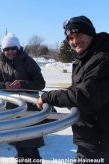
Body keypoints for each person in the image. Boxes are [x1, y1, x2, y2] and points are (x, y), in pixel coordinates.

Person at [37, 15, 109, 162]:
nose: (75, 41)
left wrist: (48, 97)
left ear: (90, 34)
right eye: (70, 38)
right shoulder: (86, 58)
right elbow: (82, 86)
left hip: (101, 141)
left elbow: (86, 96)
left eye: (79, 35)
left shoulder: (103, 59)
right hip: (91, 137)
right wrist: (67, 91)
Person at [0, 33, 45, 163]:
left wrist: (22, 84)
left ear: (18, 48)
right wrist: (4, 85)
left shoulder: (28, 61)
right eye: (6, 49)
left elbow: (41, 83)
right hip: (13, 109)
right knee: (18, 144)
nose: (10, 52)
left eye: (13, 48)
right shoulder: (2, 64)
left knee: (30, 145)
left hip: (30, 109)